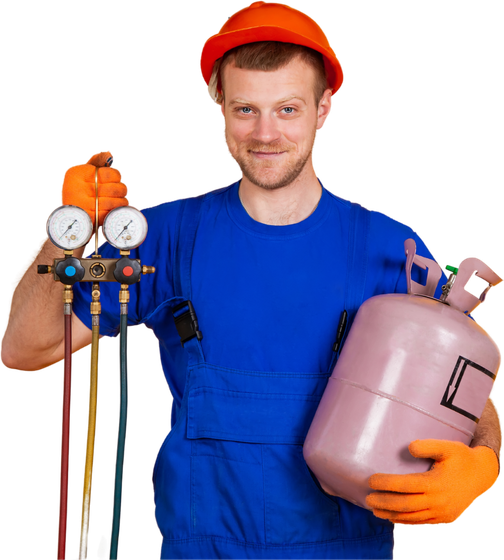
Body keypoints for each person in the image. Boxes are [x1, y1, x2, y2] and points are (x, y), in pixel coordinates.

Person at [1, 2, 501, 559]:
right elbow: (25, 348)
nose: (265, 134)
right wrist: (64, 235)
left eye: (288, 108)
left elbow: (459, 388)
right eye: (245, 109)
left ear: (324, 109)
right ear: (219, 104)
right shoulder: (162, 237)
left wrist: (483, 460)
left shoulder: (392, 251)